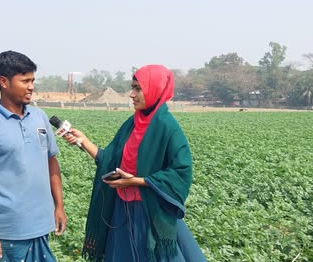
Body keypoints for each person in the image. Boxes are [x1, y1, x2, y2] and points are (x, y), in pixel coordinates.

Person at [63, 65, 207, 261]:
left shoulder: (167, 127)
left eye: (138, 88)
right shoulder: (132, 124)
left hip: (148, 214)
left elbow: (181, 172)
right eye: (132, 88)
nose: (131, 94)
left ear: (155, 89)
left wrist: (138, 181)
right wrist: (84, 141)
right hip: (122, 210)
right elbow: (111, 161)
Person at [0, 50, 66, 262]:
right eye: (25, 81)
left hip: (41, 226)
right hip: (7, 233)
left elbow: (52, 163)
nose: (31, 86)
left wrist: (59, 206)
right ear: (4, 82)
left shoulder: (39, 117)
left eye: (32, 80)